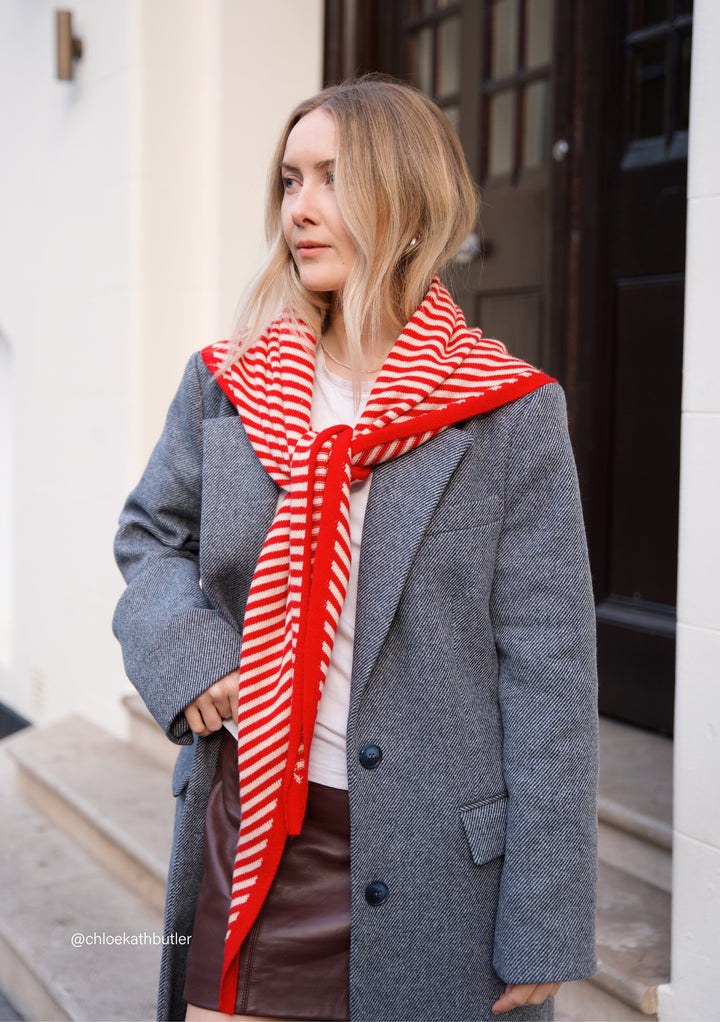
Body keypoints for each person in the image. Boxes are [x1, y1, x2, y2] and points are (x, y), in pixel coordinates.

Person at [113, 76, 598, 1022]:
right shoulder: (227, 386)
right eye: (290, 181)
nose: (300, 208)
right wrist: (188, 651)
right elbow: (150, 538)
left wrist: (546, 912)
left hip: (435, 872)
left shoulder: (511, 415)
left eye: (332, 178)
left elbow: (551, 677)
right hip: (251, 829)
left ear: (409, 204)